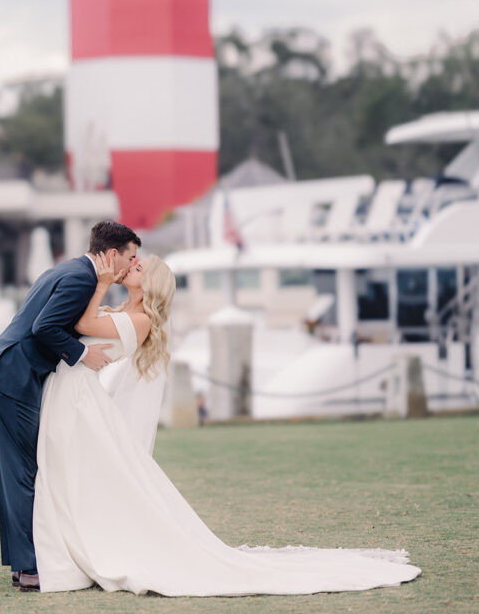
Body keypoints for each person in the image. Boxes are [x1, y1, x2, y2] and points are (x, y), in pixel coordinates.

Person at [33, 255, 422, 597]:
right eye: (134, 262)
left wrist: (99, 284)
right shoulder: (124, 310)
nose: (132, 265)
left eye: (140, 266)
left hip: (81, 398)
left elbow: (81, 322)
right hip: (78, 397)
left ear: (150, 283)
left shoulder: (138, 321)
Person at [0, 219, 141, 592]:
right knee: (25, 471)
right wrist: (82, 355)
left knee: (18, 470)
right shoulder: (81, 278)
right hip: (11, 376)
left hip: (2, 372)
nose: (131, 266)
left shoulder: (67, 269)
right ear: (112, 255)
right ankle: (30, 567)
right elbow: (43, 327)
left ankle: (22, 565)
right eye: (130, 258)